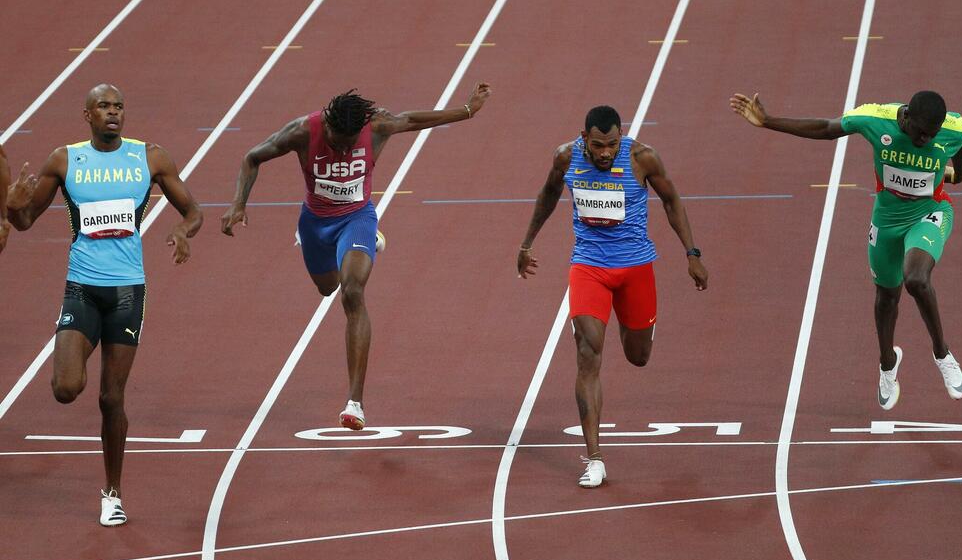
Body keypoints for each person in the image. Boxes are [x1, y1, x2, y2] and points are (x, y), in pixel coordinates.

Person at [221, 83, 492, 431]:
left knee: (352, 292)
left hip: (356, 218)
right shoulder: (303, 131)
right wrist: (238, 204)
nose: (344, 150)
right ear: (329, 125)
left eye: (351, 146)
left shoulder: (376, 127)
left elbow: (412, 120)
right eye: (338, 143)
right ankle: (330, 248)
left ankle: (355, 403)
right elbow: (252, 157)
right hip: (315, 224)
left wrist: (467, 110)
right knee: (327, 288)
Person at [6, 84, 203, 526]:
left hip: (128, 292)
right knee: (65, 389)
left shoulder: (149, 157)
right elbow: (23, 222)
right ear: (87, 115)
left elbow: (193, 210)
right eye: (104, 107)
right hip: (82, 287)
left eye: (118, 106)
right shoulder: (64, 159)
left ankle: (112, 492)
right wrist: (11, 207)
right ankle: (79, 345)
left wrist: (183, 233)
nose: (113, 113)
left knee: (111, 398)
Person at [729, 90, 962, 409]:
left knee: (916, 279)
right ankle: (887, 365)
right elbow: (827, 129)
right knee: (886, 297)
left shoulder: (955, 129)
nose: (925, 139)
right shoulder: (874, 119)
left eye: (932, 134)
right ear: (907, 116)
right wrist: (768, 121)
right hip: (887, 221)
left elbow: (961, 149)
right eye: (920, 131)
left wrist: (958, 174)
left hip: (930, 212)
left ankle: (943, 354)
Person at [517, 105, 708, 488]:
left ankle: (632, 325)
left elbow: (672, 200)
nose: (606, 153)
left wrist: (692, 253)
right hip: (588, 265)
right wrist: (527, 243)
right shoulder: (566, 157)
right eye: (599, 145)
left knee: (637, 356)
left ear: (622, 138)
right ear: (584, 137)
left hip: (636, 267)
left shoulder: (642, 158)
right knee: (587, 351)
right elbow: (549, 194)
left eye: (612, 145)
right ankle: (595, 458)